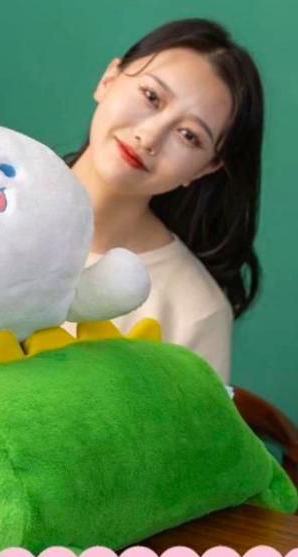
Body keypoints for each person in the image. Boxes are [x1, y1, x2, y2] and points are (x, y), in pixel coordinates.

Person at [62, 18, 264, 383]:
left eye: (189, 135)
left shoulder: (195, 311)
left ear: (206, 168)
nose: (150, 136)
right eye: (152, 97)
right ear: (108, 79)